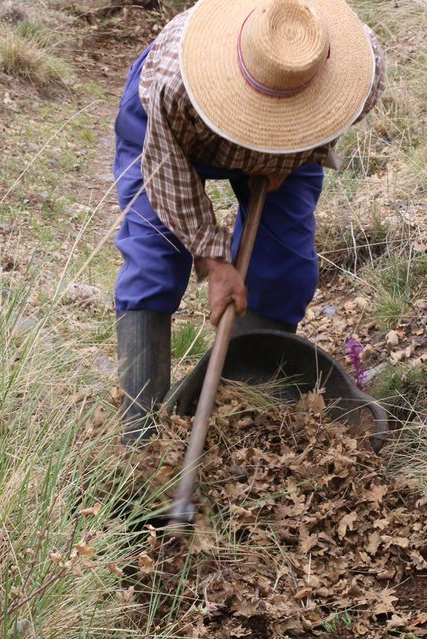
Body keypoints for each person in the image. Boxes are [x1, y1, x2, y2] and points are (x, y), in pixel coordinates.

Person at [112, 0, 386, 443]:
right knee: (154, 259)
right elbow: (169, 181)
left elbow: (345, 110)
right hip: (177, 137)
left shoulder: (351, 64)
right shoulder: (174, 84)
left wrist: (298, 150)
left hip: (292, 138)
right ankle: (139, 437)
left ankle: (243, 404)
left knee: (284, 267)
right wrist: (216, 262)